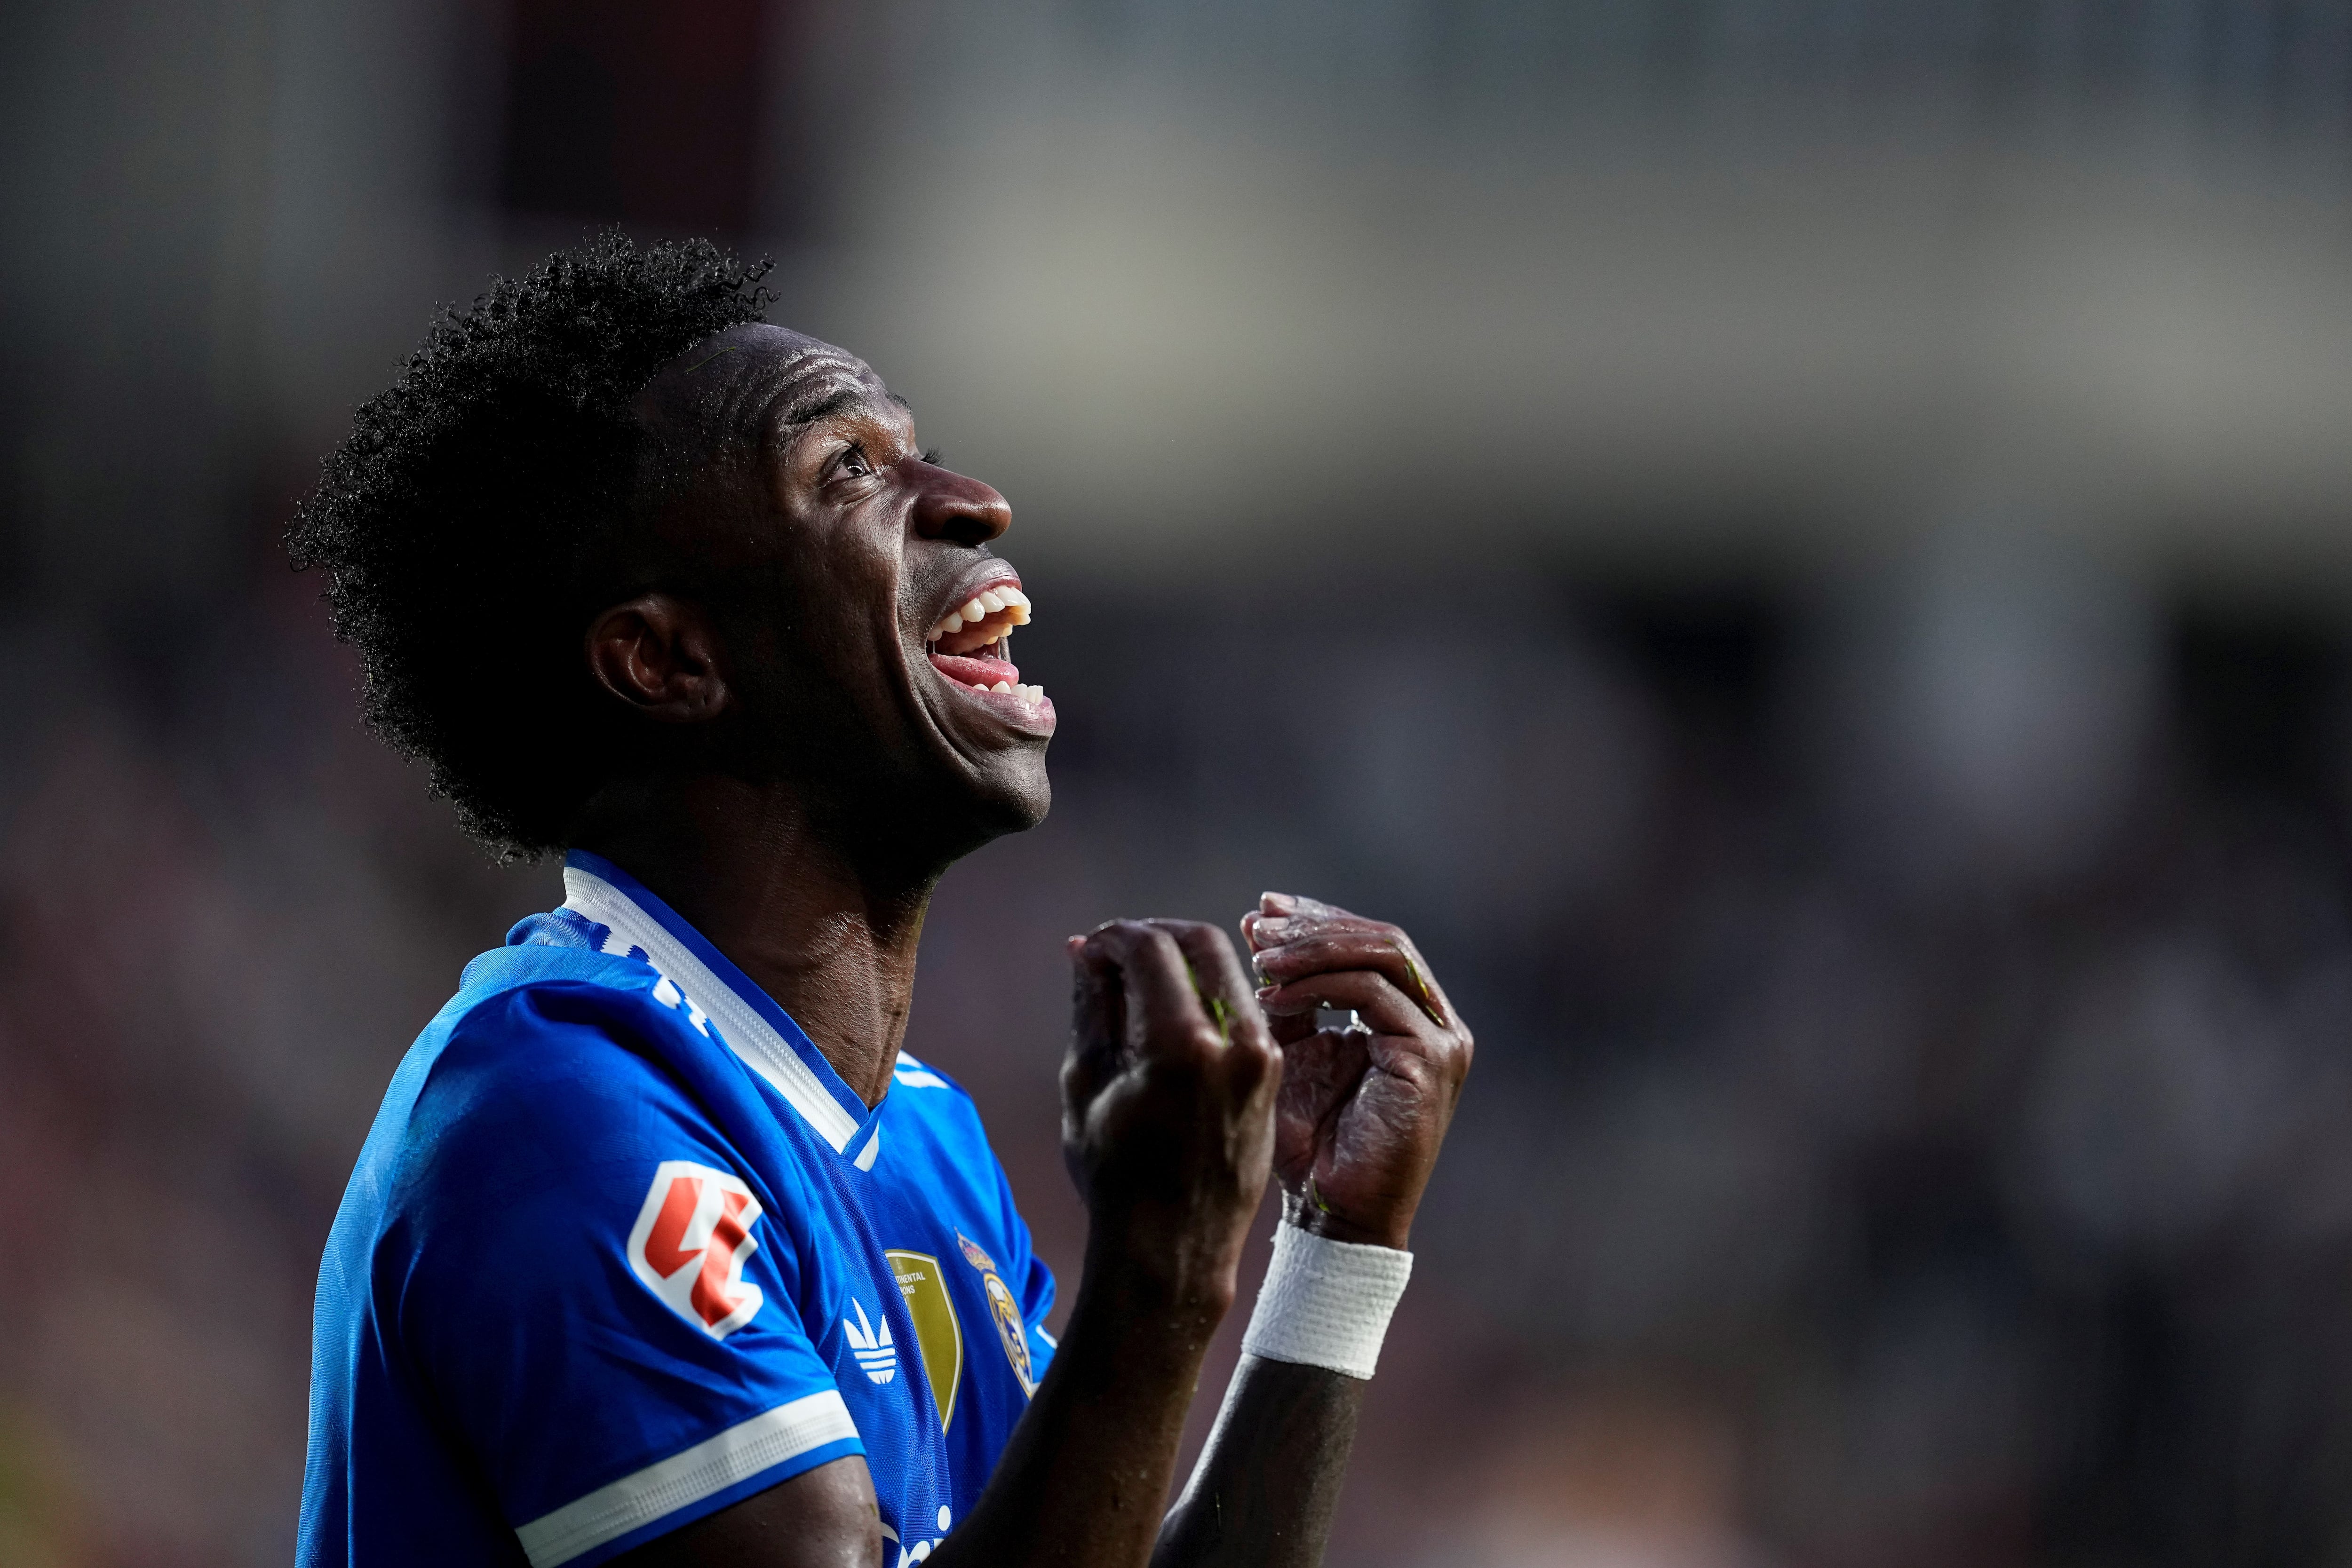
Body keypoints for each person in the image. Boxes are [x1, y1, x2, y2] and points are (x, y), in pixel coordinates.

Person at [290, 234, 1474, 1568]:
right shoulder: (559, 1114)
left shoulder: (921, 1144)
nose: (974, 501)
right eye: (847, 469)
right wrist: (1159, 1276)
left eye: (915, 449)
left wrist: (1332, 1251)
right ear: (671, 659)